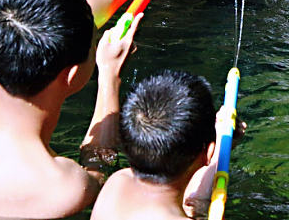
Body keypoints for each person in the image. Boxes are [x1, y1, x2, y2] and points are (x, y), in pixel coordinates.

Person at [0, 0, 173, 219]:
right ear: (71, 75)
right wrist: (109, 77)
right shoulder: (59, 186)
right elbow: (97, 169)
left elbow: (53, 28)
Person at [90, 70, 236, 220]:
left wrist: (216, 151)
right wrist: (219, 149)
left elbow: (181, 203)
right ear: (208, 152)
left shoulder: (117, 184)